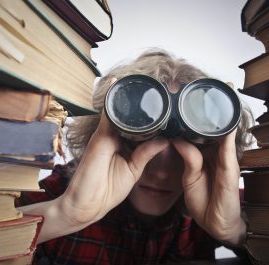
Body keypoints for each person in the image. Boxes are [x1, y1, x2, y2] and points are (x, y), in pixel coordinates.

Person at [17, 49, 254, 265]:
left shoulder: (218, 198)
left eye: (181, 154)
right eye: (143, 140)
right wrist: (64, 213)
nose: (161, 172)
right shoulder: (60, 191)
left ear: (211, 154)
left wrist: (235, 231)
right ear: (107, 139)